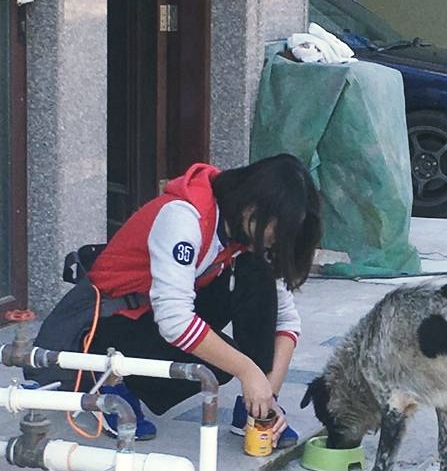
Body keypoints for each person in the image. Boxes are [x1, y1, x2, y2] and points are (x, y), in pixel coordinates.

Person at [30, 154, 322, 447]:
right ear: (252, 208)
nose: (280, 240)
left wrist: (266, 395)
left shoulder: (245, 236)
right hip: (102, 324)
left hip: (151, 316)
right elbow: (175, 321)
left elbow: (285, 319)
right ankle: (109, 383)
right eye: (280, 230)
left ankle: (249, 411)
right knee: (223, 361)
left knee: (255, 273)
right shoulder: (184, 216)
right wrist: (247, 371)